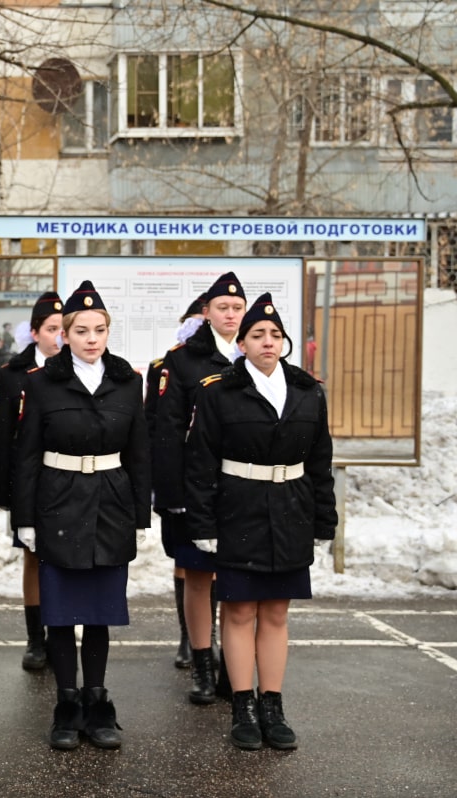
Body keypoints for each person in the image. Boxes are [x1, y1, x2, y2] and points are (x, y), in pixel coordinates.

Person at [184, 293, 336, 751]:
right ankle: (243, 706)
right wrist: (204, 525)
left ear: (284, 342)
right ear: (242, 345)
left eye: (275, 335)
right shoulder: (218, 391)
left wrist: (323, 523)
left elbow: (320, 462)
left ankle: (273, 705)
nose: (267, 341)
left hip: (291, 508)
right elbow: (200, 464)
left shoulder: (308, 390)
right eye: (257, 335)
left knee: (275, 612)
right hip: (238, 510)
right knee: (239, 611)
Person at [13, 280, 150, 750]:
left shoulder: (128, 382)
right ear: (64, 335)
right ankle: (66, 704)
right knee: (61, 613)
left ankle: (97, 702)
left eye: (100, 329)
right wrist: (25, 519)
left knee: (98, 613)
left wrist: (139, 514)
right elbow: (26, 455)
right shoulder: (42, 383)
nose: (92, 338)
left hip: (110, 502)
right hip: (58, 502)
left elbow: (139, 453)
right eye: (82, 330)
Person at [152, 272, 247, 706]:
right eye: (223, 308)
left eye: (236, 308)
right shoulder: (183, 361)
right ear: (206, 312)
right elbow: (167, 435)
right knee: (197, 578)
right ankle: (203, 666)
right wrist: (170, 498)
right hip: (195, 490)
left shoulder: (253, 356)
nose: (230, 315)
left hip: (242, 490)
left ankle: (233, 665)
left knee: (236, 582)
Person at [0, 291, 64, 671]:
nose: (59, 337)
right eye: (51, 329)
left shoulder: (78, 369)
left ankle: (61, 633)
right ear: (34, 333)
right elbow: (1, 438)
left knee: (65, 559)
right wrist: (3, 494)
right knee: (34, 559)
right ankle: (36, 638)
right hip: (28, 483)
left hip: (67, 482)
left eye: (62, 329)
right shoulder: (12, 375)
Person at [144, 293, 206, 670]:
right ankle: (190, 636)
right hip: (180, 478)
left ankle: (207, 637)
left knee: (213, 563)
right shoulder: (164, 365)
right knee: (186, 561)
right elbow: (156, 427)